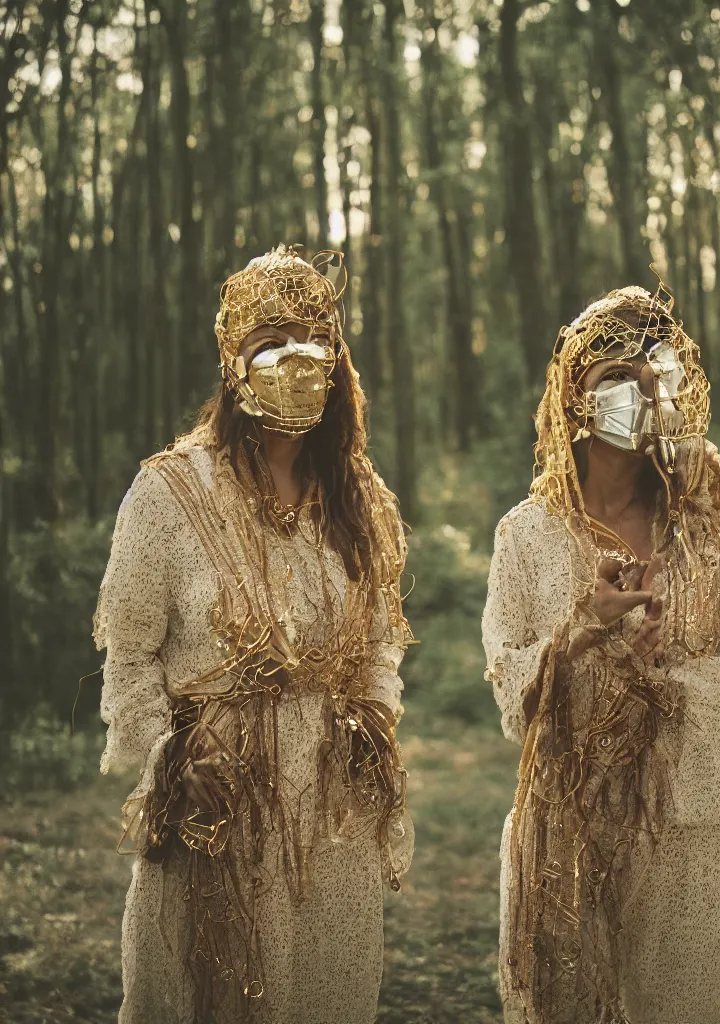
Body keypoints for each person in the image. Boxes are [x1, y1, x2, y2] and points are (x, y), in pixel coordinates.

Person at [482, 284, 720, 1024]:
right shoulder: (527, 535)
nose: (637, 398)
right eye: (615, 381)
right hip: (564, 834)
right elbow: (514, 697)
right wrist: (586, 631)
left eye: (651, 379)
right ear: (575, 394)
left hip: (688, 843)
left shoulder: (716, 530)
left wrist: (677, 687)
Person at [94, 245, 413, 1024]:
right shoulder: (169, 492)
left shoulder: (359, 498)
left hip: (332, 821)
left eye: (312, 340)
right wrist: (173, 757)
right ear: (233, 363)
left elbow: (377, 642)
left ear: (337, 363)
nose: (293, 360)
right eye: (270, 342)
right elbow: (130, 653)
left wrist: (367, 727)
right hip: (216, 803)